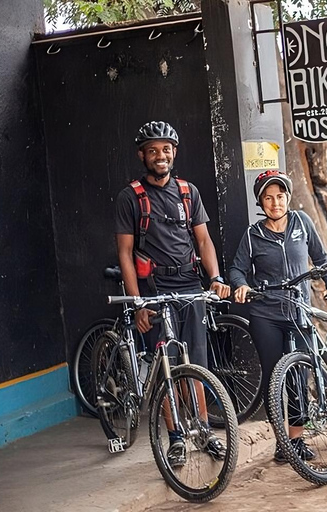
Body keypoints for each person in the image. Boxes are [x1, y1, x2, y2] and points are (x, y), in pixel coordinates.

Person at [115, 120, 231, 467]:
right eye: (153, 150)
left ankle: (205, 430)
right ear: (142, 155)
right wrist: (138, 303)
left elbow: (204, 240)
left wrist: (215, 277)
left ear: (173, 153)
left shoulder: (187, 192)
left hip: (189, 285)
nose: (160, 155)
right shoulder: (130, 197)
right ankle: (176, 437)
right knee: (165, 362)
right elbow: (125, 252)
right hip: (154, 289)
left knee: (195, 361)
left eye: (166, 149)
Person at [228, 170, 327, 462]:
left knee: (299, 375)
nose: (275, 202)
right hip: (265, 314)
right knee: (274, 377)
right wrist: (240, 285)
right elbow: (237, 269)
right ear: (261, 202)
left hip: (298, 311)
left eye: (280, 196)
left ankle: (297, 439)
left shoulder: (302, 223)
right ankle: (282, 444)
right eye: (268, 197)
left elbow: (321, 258)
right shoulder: (253, 235)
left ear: (288, 198)